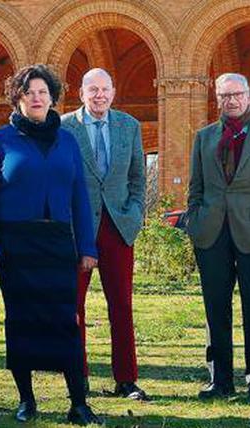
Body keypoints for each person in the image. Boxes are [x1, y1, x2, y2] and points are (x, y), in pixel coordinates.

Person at [0, 64, 102, 425]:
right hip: (16, 245)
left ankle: (78, 403)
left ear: (52, 98)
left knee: (66, 320)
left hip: (58, 243)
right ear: (18, 98)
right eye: (28, 92)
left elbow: (80, 194)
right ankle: (26, 401)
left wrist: (88, 247)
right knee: (21, 321)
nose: (36, 98)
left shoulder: (68, 141)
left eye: (42, 92)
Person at [185, 72, 250, 403]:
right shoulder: (203, 138)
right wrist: (196, 222)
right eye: (224, 95)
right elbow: (195, 188)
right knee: (215, 308)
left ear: (248, 95)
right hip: (211, 233)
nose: (231, 100)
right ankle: (220, 379)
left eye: (237, 94)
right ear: (217, 99)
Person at [61, 68, 148, 401]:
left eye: (105, 89)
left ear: (114, 92)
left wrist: (135, 212)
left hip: (118, 226)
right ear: (81, 93)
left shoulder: (129, 126)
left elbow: (138, 177)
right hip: (77, 227)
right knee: (74, 307)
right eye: (92, 89)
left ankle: (126, 379)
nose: (99, 95)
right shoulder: (65, 127)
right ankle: (77, 378)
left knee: (122, 305)